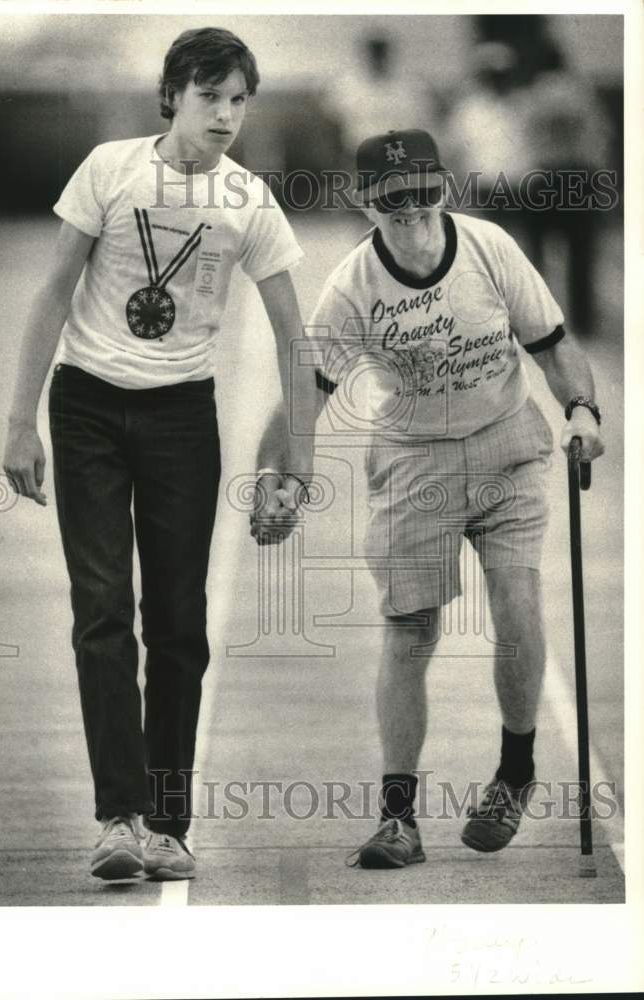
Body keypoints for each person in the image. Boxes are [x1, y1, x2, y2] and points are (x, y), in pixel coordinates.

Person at [2, 27, 314, 883]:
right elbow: (52, 293)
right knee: (102, 612)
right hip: (88, 406)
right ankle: (117, 817)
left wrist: (302, 462)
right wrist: (19, 422)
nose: (225, 115)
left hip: (181, 418)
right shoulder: (109, 168)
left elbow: (296, 340)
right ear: (172, 95)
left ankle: (169, 825)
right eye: (210, 96)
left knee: (177, 624)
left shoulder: (248, 200)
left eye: (239, 100)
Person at [252, 129, 604, 869]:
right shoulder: (351, 286)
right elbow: (302, 393)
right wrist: (277, 479)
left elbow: (552, 344)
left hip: (509, 444)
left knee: (514, 604)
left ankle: (514, 773)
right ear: (364, 202)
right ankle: (398, 819)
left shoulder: (488, 249)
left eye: (422, 192)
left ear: (442, 187)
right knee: (410, 630)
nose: (409, 210)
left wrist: (581, 411)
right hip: (415, 459)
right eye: (391, 199)